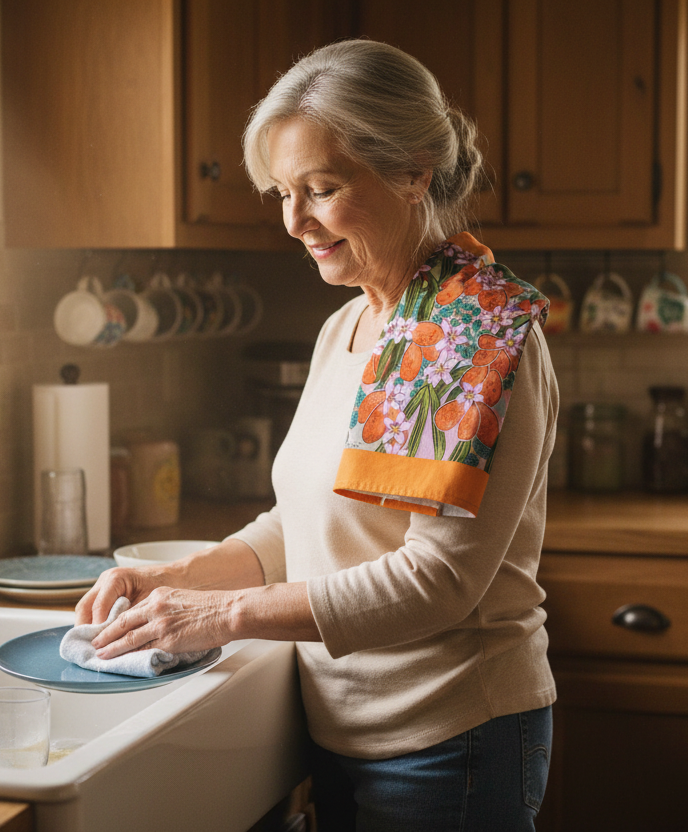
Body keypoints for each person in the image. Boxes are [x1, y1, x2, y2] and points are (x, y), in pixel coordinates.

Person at [76, 39, 559, 831]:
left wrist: (224, 615)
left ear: (414, 174)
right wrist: (183, 580)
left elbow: (437, 583)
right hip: (339, 730)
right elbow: (299, 522)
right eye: (281, 193)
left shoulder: (478, 335)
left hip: (452, 742)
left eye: (322, 189)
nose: (295, 221)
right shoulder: (350, 326)